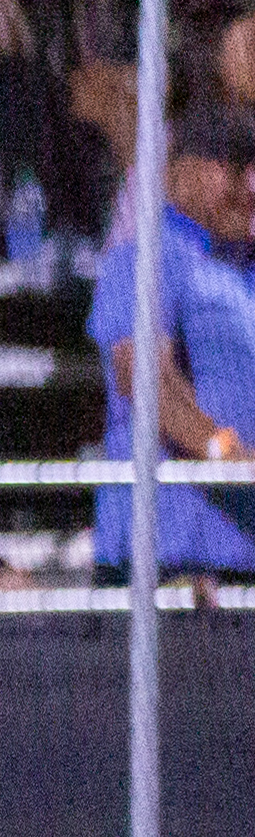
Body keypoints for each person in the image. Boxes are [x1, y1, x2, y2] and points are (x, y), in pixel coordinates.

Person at [88, 101, 255, 587]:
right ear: (181, 171)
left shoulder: (240, 270)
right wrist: (229, 457)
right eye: (234, 166)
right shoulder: (148, 257)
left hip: (239, 558)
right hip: (170, 560)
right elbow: (144, 379)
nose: (249, 187)